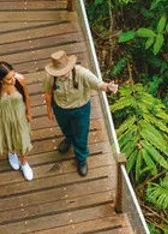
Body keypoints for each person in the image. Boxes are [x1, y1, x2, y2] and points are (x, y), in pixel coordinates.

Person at [44, 49, 118, 177]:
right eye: (59, 72)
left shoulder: (81, 73)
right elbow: (48, 93)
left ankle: (81, 159)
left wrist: (108, 87)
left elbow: (98, 84)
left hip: (80, 109)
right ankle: (68, 139)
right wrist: (49, 110)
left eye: (64, 70)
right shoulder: (51, 77)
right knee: (65, 128)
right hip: (60, 108)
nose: (62, 74)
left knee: (81, 135)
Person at [0, 61, 35, 181]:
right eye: (9, 79)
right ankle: (11, 153)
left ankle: (24, 162)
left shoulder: (20, 80)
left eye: (13, 76)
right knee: (8, 138)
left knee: (23, 139)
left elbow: (26, 97)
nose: (13, 80)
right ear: (1, 80)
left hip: (19, 116)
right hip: (1, 118)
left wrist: (28, 112)